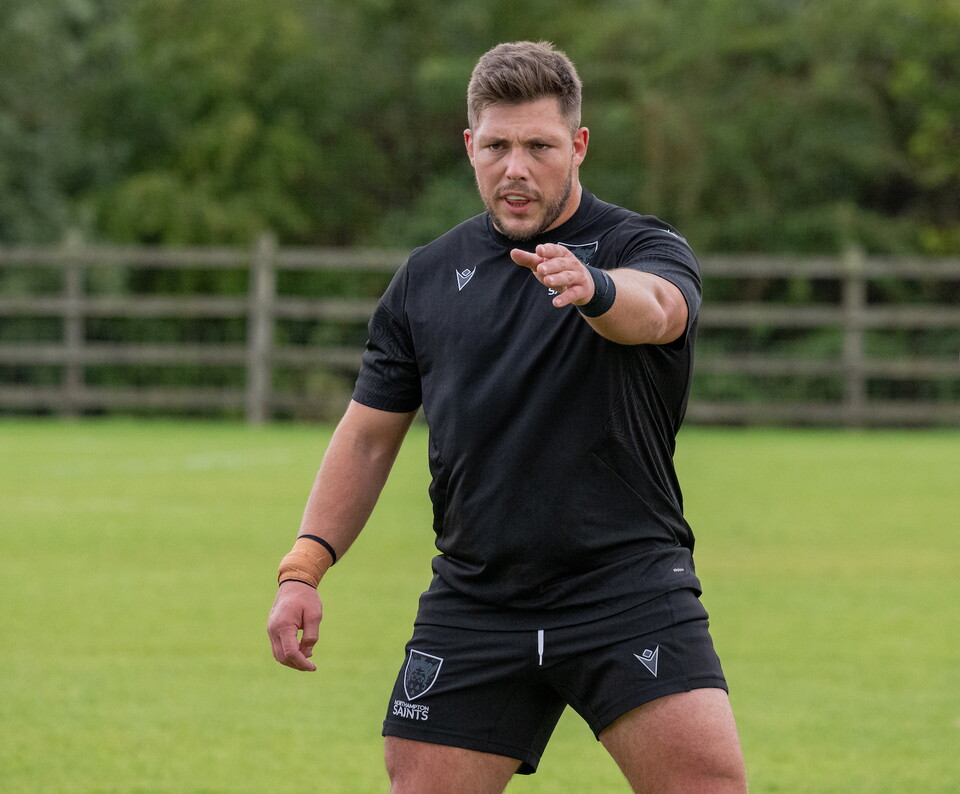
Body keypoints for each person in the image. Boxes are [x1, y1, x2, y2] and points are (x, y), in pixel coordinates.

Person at [267, 40, 747, 794]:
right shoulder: (425, 280)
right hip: (478, 597)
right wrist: (305, 568)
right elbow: (366, 440)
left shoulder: (641, 246)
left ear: (578, 146)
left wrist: (595, 289)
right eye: (497, 146)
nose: (515, 167)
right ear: (470, 146)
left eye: (539, 147)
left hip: (625, 590)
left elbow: (657, 311)